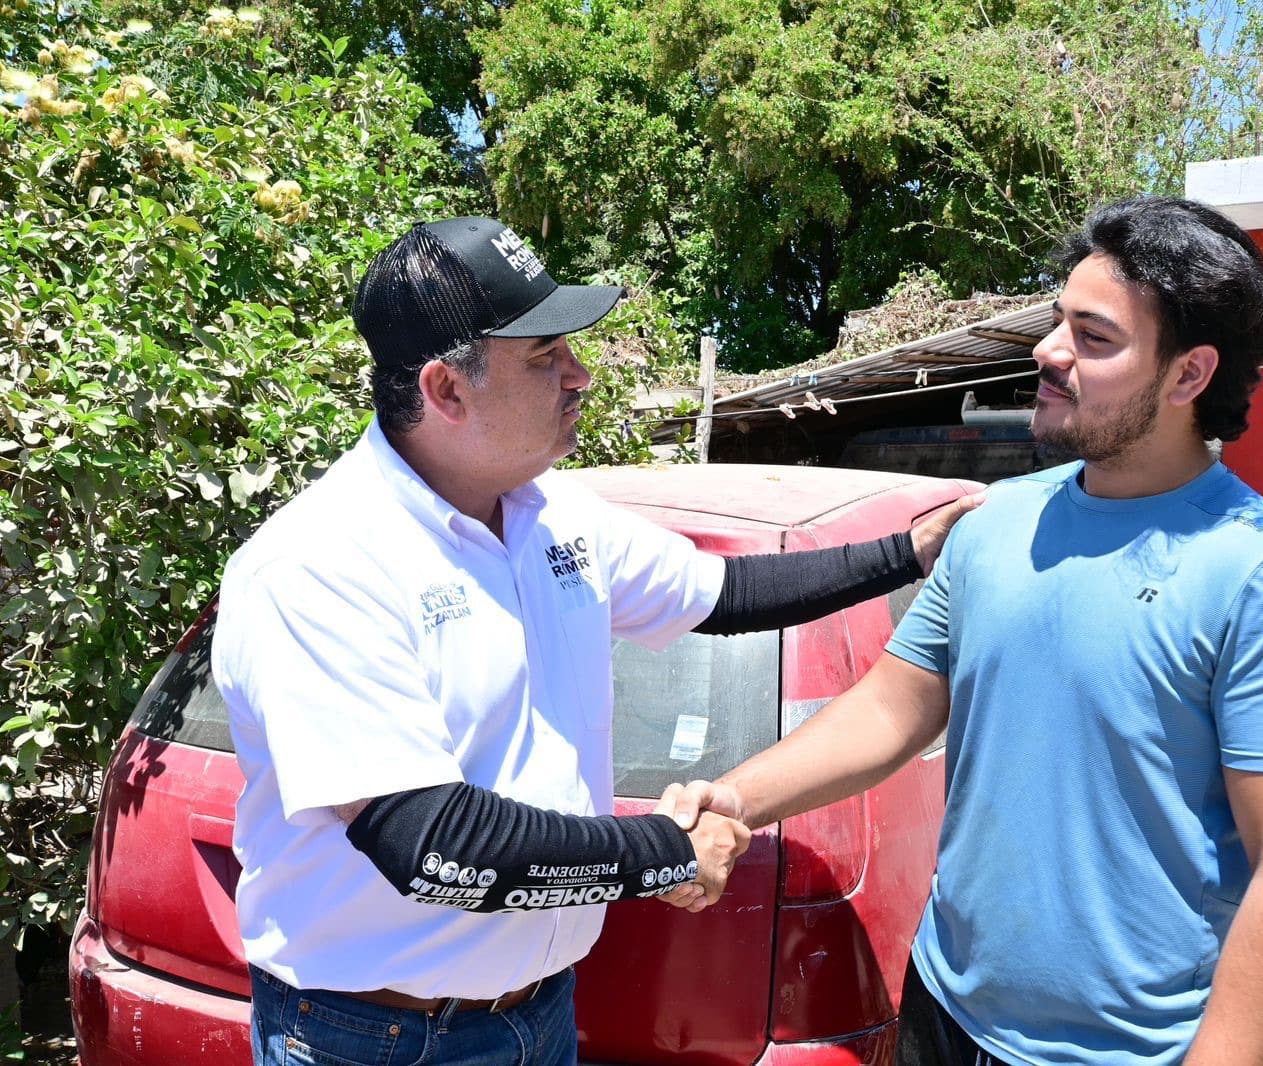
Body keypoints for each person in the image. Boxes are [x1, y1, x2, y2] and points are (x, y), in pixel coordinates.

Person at [209, 216, 980, 1066]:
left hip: (540, 1015)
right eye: (544, 358)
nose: (580, 377)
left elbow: (724, 593)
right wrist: (668, 852)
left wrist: (911, 550)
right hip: (377, 1039)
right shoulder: (321, 564)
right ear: (446, 389)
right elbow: (431, 843)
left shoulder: (548, 513)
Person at [660, 196, 1263, 1066]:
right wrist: (736, 800)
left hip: (1132, 1051)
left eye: (1093, 337)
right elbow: (890, 710)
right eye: (1057, 320)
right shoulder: (999, 525)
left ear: (1189, 376)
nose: (1049, 351)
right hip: (943, 1010)